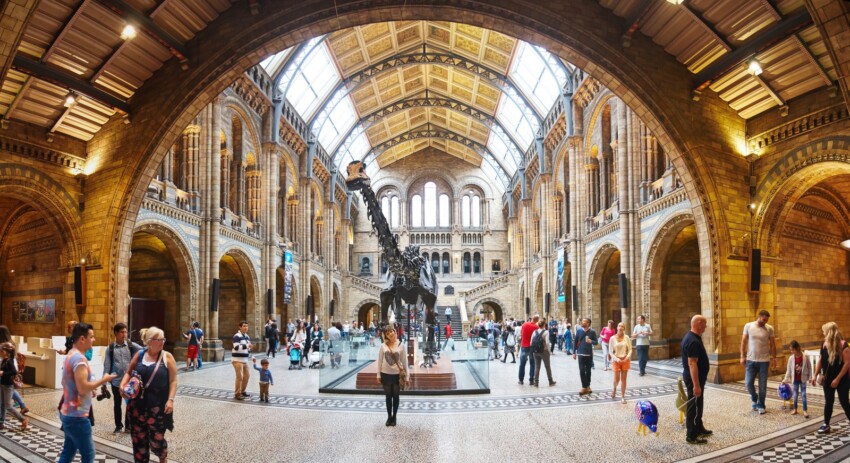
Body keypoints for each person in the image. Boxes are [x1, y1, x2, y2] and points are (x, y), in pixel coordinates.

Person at [59, 322, 117, 463]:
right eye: (91, 337)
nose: (94, 339)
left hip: (68, 413)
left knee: (68, 452)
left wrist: (89, 389)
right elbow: (82, 388)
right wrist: (104, 380)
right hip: (77, 416)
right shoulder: (79, 359)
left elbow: (67, 382)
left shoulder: (70, 354)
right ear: (82, 339)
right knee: (89, 455)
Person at [120, 327, 177, 463]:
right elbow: (128, 372)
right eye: (159, 339)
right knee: (138, 440)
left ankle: (162, 459)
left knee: (157, 440)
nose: (162, 342)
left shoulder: (167, 357)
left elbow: (173, 380)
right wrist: (122, 385)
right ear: (150, 341)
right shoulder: (140, 354)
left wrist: (170, 400)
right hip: (136, 407)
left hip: (157, 407)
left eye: (163, 339)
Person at [103, 322, 142, 434]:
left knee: (129, 404)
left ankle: (128, 426)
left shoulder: (130, 345)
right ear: (116, 333)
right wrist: (104, 383)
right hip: (116, 382)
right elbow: (107, 366)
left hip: (129, 382)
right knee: (117, 404)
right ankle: (118, 426)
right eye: (122, 332)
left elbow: (143, 350)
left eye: (125, 332)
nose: (124, 334)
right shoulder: (110, 348)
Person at [812, 322, 850, 434]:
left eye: (824, 331)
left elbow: (847, 363)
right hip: (828, 379)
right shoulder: (824, 345)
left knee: (844, 402)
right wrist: (815, 375)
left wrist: (837, 379)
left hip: (842, 380)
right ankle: (826, 424)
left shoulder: (843, 345)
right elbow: (820, 360)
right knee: (828, 402)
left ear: (829, 332)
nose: (823, 333)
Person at [682, 315, 711, 445]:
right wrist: (696, 385)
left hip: (697, 378)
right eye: (705, 324)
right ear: (699, 323)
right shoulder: (693, 341)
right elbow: (692, 363)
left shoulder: (693, 337)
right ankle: (691, 435)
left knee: (698, 403)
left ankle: (698, 426)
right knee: (693, 405)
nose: (706, 326)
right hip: (694, 379)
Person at [740, 309, 776, 415]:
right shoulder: (748, 326)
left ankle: (761, 405)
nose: (765, 322)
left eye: (766, 320)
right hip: (751, 360)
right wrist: (742, 356)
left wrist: (774, 358)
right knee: (748, 383)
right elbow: (743, 342)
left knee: (762, 385)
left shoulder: (769, 328)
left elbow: (773, 344)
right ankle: (754, 397)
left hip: (764, 361)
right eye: (763, 320)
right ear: (759, 316)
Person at [375, 326, 407, 426]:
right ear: (386, 336)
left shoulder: (401, 345)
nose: (391, 334)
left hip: (397, 375)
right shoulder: (383, 346)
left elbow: (405, 362)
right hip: (385, 374)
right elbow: (380, 360)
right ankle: (389, 417)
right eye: (388, 333)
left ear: (395, 332)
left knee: (396, 396)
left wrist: (407, 376)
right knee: (388, 396)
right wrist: (378, 374)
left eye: (392, 331)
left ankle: (395, 417)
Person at [0, 325, 29, 414]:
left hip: (7, 369)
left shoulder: (5, 345)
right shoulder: (10, 342)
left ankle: (3, 416)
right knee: (8, 388)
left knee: (7, 388)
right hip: (10, 368)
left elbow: (4, 358)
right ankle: (22, 405)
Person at [0, 342, 27, 431]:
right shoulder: (4, 360)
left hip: (8, 386)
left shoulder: (9, 361)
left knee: (8, 405)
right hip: (2, 384)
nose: (0, 352)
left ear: (5, 352)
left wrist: (3, 373)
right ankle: (1, 421)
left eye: (1, 351)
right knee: (2, 404)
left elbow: (14, 372)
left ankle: (23, 419)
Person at [781, 340, 810, 418]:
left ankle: (805, 410)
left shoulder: (805, 357)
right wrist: (785, 380)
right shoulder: (791, 358)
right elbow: (788, 370)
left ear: (797, 348)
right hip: (795, 380)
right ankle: (795, 409)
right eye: (791, 350)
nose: (791, 351)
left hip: (803, 379)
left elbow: (809, 367)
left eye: (793, 350)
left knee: (803, 395)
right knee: (795, 395)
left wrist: (810, 377)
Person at [573, 318, 598, 395]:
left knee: (588, 371)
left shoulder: (592, 332)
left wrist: (591, 341)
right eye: (582, 321)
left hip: (589, 354)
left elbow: (596, 342)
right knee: (582, 370)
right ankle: (584, 387)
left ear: (588, 324)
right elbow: (575, 341)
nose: (582, 322)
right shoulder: (579, 331)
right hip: (580, 353)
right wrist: (574, 352)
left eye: (584, 321)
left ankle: (588, 386)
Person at [609, 322, 632, 403]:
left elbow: (630, 349)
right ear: (617, 327)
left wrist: (627, 357)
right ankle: (614, 389)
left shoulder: (627, 337)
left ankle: (623, 397)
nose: (620, 327)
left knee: (623, 379)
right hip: (616, 360)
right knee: (617, 379)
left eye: (622, 326)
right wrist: (616, 359)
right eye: (619, 326)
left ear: (624, 328)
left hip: (625, 359)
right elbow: (610, 352)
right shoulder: (612, 338)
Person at [232, 321, 253, 400]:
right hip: (237, 360)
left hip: (245, 360)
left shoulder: (247, 336)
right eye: (244, 326)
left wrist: (249, 349)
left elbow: (247, 348)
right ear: (240, 327)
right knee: (239, 377)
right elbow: (236, 347)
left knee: (247, 376)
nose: (246, 327)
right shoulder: (237, 336)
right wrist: (247, 346)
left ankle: (243, 391)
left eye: (247, 326)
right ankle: (237, 393)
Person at [532, 320, 556, 386]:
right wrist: (549, 351)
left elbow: (531, 342)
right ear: (544, 325)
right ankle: (550, 381)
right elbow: (547, 343)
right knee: (547, 366)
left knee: (537, 366)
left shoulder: (534, 332)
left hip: (536, 351)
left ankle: (536, 382)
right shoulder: (546, 332)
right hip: (544, 351)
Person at [518, 314, 540, 385]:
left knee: (522, 364)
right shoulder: (536, 327)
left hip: (524, 346)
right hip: (532, 347)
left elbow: (521, 334)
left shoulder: (524, 324)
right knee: (532, 363)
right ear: (537, 320)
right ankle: (531, 380)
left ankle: (521, 380)